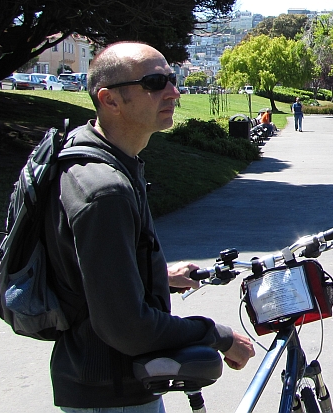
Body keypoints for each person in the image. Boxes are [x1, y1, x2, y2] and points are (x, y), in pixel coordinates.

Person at [44, 42, 254, 412]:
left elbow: (90, 269)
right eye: (155, 82)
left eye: (172, 79)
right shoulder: (105, 191)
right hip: (112, 394)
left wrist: (159, 273)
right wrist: (218, 336)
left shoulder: (93, 153)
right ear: (110, 100)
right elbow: (126, 326)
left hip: (104, 382)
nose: (174, 91)